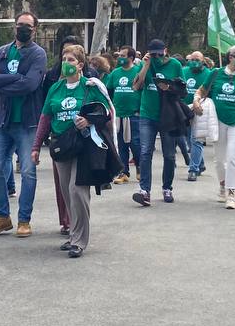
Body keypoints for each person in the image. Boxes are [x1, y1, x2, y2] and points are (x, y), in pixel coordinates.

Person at [31, 43, 111, 256]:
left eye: (71, 60)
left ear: (80, 65)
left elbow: (106, 113)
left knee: (78, 190)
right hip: (61, 145)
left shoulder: (90, 86)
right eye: (64, 59)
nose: (66, 63)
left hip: (84, 144)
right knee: (66, 191)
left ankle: (79, 241)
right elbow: (45, 118)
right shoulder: (55, 89)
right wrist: (36, 146)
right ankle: (74, 233)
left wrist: (89, 120)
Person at [0, 12, 47, 238]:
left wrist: (0, 83)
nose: (23, 28)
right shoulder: (1, 51)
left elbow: (30, 85)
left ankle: (24, 220)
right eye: (20, 24)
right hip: (1, 120)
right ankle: (2, 217)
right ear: (14, 26)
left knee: (28, 171)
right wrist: (16, 78)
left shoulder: (38, 54)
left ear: (35, 29)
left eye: (27, 25)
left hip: (28, 123)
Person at [194, 45, 235, 209]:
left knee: (232, 156)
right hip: (217, 120)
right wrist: (196, 100)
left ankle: (231, 193)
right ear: (231, 57)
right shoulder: (216, 73)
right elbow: (201, 90)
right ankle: (222, 184)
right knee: (220, 159)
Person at [132, 39, 183, 206]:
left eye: (160, 54)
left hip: (167, 115)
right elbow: (136, 86)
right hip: (148, 114)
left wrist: (170, 88)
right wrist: (146, 66)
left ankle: (167, 187)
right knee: (145, 152)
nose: (157, 57)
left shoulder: (175, 65)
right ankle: (144, 190)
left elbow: (183, 90)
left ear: (165, 51)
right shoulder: (146, 64)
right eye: (154, 54)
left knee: (169, 154)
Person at [104, 47, 142, 185]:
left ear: (131, 58)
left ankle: (140, 167)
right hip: (118, 115)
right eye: (119, 55)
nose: (119, 58)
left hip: (134, 115)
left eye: (123, 55)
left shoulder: (138, 71)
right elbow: (108, 91)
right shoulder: (115, 73)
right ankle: (123, 172)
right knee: (121, 144)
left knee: (135, 143)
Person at [180, 50, 213, 181]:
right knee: (189, 140)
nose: (194, 62)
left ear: (203, 61)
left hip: (200, 110)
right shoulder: (183, 71)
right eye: (192, 60)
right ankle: (200, 164)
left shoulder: (208, 74)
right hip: (184, 110)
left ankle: (193, 169)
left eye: (197, 60)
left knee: (197, 140)